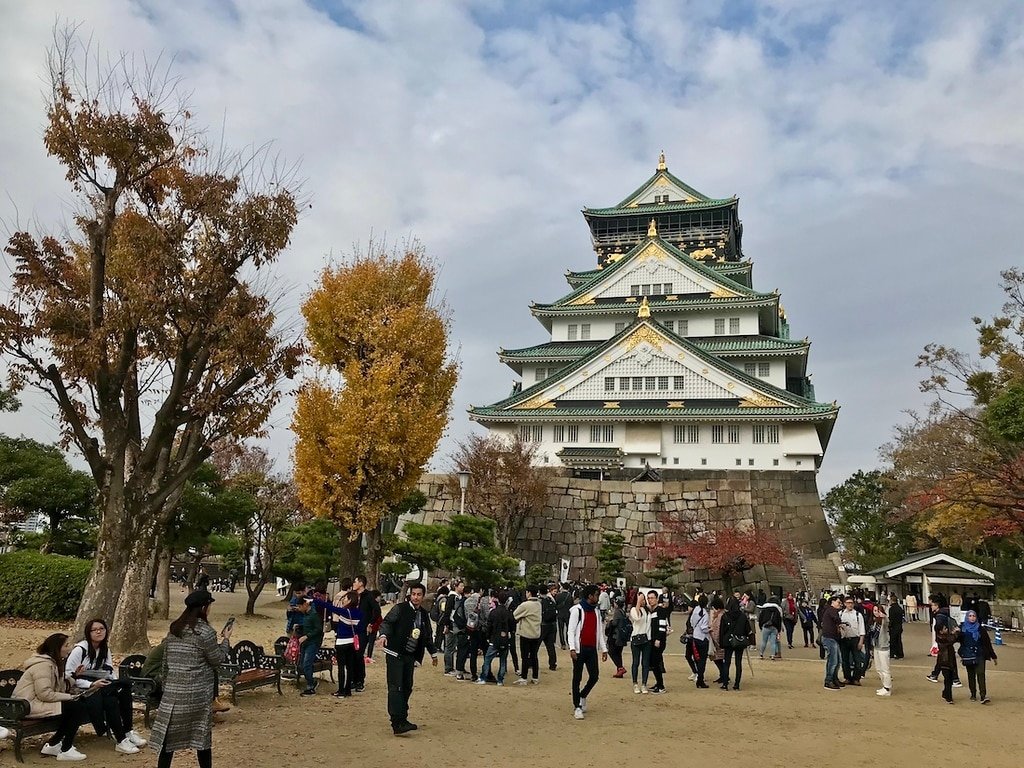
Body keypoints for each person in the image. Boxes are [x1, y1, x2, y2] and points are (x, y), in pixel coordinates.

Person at [150, 589, 232, 768]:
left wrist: (166, 685)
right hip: (197, 693)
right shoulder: (205, 631)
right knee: (201, 737)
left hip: (172, 693)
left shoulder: (174, 629)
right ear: (204, 607)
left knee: (167, 740)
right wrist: (226, 640)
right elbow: (217, 659)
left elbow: (165, 661)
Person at [66, 618, 145, 754]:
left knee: (122, 690)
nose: (99, 632)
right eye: (95, 630)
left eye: (101, 629)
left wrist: (114, 683)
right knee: (111, 699)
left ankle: (127, 732)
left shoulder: (104, 649)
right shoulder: (80, 650)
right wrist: (91, 684)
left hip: (101, 685)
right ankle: (121, 739)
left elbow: (109, 672)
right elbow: (69, 676)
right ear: (88, 633)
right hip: (82, 689)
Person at [13, 633, 90, 761]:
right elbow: (45, 694)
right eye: (66, 645)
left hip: (36, 703)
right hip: (26, 706)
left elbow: (59, 688)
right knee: (75, 707)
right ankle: (65, 749)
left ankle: (54, 744)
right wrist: (69, 697)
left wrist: (75, 676)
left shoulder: (52, 663)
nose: (69, 648)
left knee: (77, 705)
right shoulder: (43, 665)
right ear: (56, 648)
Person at [376, 582, 438, 735]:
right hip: (395, 653)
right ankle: (396, 721)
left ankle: (403, 718)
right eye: (414, 594)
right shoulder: (400, 609)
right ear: (410, 595)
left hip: (410, 655)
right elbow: (387, 623)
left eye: (419, 594)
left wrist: (433, 653)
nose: (416, 597)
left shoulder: (423, 614)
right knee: (396, 687)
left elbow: (427, 635)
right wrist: (383, 636)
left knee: (407, 686)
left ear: (423, 596)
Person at [567, 584, 607, 719]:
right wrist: (572, 648)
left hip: (591, 648)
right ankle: (576, 706)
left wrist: (604, 648)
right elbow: (571, 631)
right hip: (579, 649)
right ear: (590, 596)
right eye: (596, 594)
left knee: (594, 676)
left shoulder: (595, 611)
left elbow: (599, 631)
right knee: (577, 677)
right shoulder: (577, 610)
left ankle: (583, 695)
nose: (598, 597)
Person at [959, 609, 996, 704]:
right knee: (971, 675)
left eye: (974, 616)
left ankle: (983, 695)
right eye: (970, 616)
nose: (972, 618)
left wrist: (993, 656)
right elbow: (956, 640)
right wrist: (956, 633)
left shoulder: (980, 629)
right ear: (967, 617)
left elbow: (987, 643)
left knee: (981, 674)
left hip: (980, 654)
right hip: (968, 655)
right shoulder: (962, 628)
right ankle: (973, 694)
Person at [478, 590, 514, 686]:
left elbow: (489, 626)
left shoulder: (493, 612)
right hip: (505, 639)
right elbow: (512, 625)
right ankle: (500, 680)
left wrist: (488, 636)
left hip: (494, 639)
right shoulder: (508, 613)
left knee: (487, 659)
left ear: (498, 600)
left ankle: (483, 677)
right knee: (503, 660)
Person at [331, 590, 363, 698]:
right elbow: (359, 628)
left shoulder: (344, 612)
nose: (343, 600)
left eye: (345, 599)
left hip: (341, 642)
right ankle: (348, 690)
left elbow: (328, 606)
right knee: (350, 667)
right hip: (352, 643)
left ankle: (341, 690)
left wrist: (314, 600)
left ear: (349, 600)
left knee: (341, 667)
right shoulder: (359, 613)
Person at [513, 585, 543, 685]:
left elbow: (515, 615)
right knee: (534, 656)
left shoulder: (525, 605)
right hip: (536, 633)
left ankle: (524, 677)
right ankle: (535, 677)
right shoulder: (539, 604)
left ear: (529, 593)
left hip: (526, 633)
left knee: (525, 656)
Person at [932, 595, 960, 704]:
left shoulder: (942, 636)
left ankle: (946, 693)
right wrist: (955, 633)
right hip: (945, 659)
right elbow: (950, 640)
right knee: (947, 677)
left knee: (948, 678)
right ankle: (948, 695)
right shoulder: (942, 638)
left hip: (948, 658)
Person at [719, 597, 748, 691]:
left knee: (726, 663)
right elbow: (747, 629)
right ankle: (737, 684)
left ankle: (725, 683)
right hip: (739, 639)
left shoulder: (725, 616)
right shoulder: (743, 616)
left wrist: (721, 642)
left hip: (728, 640)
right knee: (738, 663)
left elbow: (722, 630)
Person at [628, 591, 653, 694]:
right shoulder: (634, 609)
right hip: (636, 638)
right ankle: (635, 683)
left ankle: (644, 684)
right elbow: (637, 618)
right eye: (641, 600)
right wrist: (638, 602)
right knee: (636, 662)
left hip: (647, 639)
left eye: (643, 600)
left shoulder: (648, 610)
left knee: (645, 663)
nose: (643, 601)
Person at [838, 596, 865, 685]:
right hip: (844, 639)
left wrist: (861, 641)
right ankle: (847, 677)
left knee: (857, 660)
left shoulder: (858, 615)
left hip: (855, 639)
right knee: (845, 660)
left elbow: (862, 629)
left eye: (851, 603)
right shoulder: (841, 614)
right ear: (845, 604)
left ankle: (856, 678)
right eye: (848, 603)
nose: (850, 604)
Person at [820, 594, 843, 690]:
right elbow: (836, 619)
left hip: (831, 637)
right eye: (838, 602)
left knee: (836, 660)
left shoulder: (829, 610)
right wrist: (841, 622)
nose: (840, 604)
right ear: (833, 602)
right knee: (833, 660)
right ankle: (829, 680)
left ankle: (834, 678)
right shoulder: (831, 610)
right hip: (829, 637)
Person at [647, 591, 668, 694]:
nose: (650, 600)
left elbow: (662, 626)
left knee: (655, 662)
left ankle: (661, 686)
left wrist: (658, 639)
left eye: (652, 598)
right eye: (649, 598)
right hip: (652, 640)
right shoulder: (652, 611)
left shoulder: (660, 611)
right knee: (654, 663)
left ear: (656, 599)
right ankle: (658, 683)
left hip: (658, 641)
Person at [688, 593, 711, 688]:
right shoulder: (705, 613)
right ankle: (700, 679)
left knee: (697, 658)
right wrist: (709, 629)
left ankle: (699, 677)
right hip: (702, 638)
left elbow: (691, 621)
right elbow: (704, 628)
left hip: (695, 636)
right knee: (702, 660)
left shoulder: (696, 610)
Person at [604, 595, 628, 678]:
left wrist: (609, 621)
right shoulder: (623, 611)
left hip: (616, 636)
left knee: (612, 652)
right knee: (618, 653)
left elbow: (614, 623)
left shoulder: (617, 611)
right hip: (621, 636)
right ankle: (619, 669)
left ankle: (620, 668)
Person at [872, 603, 892, 697]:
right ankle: (884, 686)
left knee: (885, 669)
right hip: (876, 646)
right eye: (875, 611)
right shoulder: (876, 622)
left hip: (883, 647)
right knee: (879, 668)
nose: (876, 613)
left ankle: (887, 688)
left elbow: (887, 623)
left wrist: (884, 617)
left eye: (878, 611)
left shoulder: (884, 621)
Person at [540, 583, 559, 671]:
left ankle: (531, 663)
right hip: (552, 625)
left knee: (536, 645)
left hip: (543, 625)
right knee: (550, 646)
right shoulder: (551, 600)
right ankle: (553, 664)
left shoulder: (540, 601)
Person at [708, 595, 726, 686]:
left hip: (719, 643)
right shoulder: (722, 615)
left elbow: (717, 631)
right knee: (718, 660)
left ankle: (724, 675)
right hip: (722, 642)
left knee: (718, 659)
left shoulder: (720, 617)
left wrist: (715, 639)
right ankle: (723, 675)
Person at [555, 583, 572, 650]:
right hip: (568, 614)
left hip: (560, 614)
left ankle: (563, 644)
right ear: (568, 588)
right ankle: (569, 643)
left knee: (561, 629)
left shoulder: (558, 595)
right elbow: (571, 604)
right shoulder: (569, 596)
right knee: (569, 630)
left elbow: (556, 604)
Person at [887, 594, 905, 659]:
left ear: (891, 600)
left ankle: (893, 653)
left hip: (893, 627)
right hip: (899, 626)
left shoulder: (891, 609)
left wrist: (889, 626)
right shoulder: (900, 608)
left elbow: (891, 619)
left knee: (893, 641)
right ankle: (900, 653)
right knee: (899, 640)